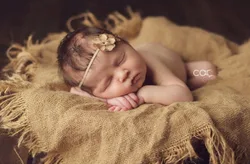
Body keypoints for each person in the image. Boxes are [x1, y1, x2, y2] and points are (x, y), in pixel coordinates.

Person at [57, 26, 218, 112]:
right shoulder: (94, 89)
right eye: (108, 82)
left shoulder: (150, 63)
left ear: (128, 44)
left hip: (178, 68)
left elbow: (184, 96)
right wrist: (106, 100)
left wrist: (142, 95)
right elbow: (76, 92)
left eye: (121, 60)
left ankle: (187, 76)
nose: (122, 74)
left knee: (207, 72)